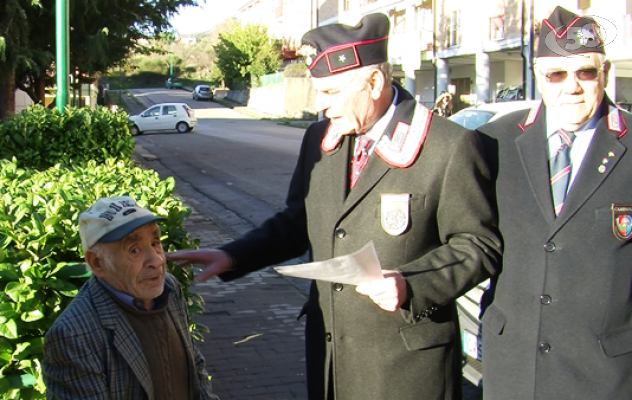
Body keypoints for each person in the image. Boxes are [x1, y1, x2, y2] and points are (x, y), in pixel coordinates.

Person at [169, 13, 501, 400]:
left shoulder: (448, 145)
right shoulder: (320, 139)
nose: (320, 107)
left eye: (330, 92)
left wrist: (412, 283)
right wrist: (232, 256)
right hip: (330, 357)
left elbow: (478, 245)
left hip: (405, 367)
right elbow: (298, 222)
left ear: (374, 83)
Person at [477, 6, 632, 400]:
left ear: (606, 73)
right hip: (513, 367)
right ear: (539, 79)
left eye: (585, 72)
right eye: (556, 75)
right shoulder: (493, 143)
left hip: (606, 374)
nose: (572, 86)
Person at [43, 196, 217, 400]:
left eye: (155, 242)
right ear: (97, 263)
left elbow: (195, 367)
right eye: (134, 250)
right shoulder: (73, 335)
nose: (157, 259)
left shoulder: (170, 288)